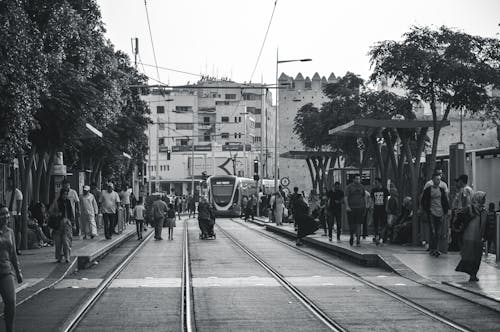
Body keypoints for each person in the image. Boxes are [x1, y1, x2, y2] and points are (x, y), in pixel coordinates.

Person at [455, 191, 487, 282]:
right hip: (469, 237)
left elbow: (486, 225)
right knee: (470, 256)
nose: (484, 200)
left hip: (479, 238)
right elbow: (459, 217)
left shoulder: (484, 211)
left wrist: (486, 235)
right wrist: (458, 228)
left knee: (478, 257)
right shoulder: (470, 209)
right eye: (483, 198)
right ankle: (472, 274)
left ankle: (473, 274)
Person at [0, 206, 23, 332]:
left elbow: (13, 254)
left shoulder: (10, 232)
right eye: (2, 214)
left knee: (11, 302)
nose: (6, 217)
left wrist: (18, 272)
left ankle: (10, 329)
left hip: (6, 272)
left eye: (7, 213)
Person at [421, 173, 450, 257]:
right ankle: (432, 248)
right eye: (437, 179)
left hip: (440, 213)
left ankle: (436, 248)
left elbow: (445, 200)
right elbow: (423, 201)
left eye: (439, 179)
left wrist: (447, 210)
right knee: (433, 231)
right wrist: (426, 210)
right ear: (433, 180)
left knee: (438, 231)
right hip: (431, 213)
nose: (438, 181)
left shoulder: (441, 190)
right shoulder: (428, 190)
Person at [49, 188, 74, 263]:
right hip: (58, 224)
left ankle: (67, 256)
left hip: (67, 223)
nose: (65, 196)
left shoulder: (68, 202)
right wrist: (57, 214)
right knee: (58, 242)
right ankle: (59, 257)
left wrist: (73, 222)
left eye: (66, 194)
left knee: (66, 241)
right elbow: (50, 211)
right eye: (64, 194)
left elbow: (71, 212)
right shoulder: (56, 202)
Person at [450, 174, 473, 251]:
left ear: (461, 181)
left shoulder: (465, 190)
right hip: (465, 213)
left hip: (463, 215)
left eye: (459, 181)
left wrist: (458, 212)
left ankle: (459, 247)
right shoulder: (468, 189)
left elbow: (466, 204)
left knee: (459, 231)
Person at [344, 174, 366, 246]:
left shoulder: (362, 187)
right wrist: (347, 206)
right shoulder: (349, 187)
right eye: (356, 179)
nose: (358, 180)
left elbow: (363, 196)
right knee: (352, 224)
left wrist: (365, 206)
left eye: (359, 179)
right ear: (353, 179)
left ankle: (358, 240)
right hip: (351, 208)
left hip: (360, 208)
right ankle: (351, 236)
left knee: (359, 224)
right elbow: (346, 197)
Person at [4, 178, 23, 255]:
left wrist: (16, 214)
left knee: (17, 231)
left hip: (14, 213)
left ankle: (17, 248)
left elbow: (19, 206)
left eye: (10, 182)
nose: (8, 184)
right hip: (8, 213)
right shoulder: (7, 192)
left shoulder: (17, 192)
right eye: (8, 182)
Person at [371, 178, 389, 245]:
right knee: (375, 223)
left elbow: (387, 199)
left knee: (383, 223)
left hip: (383, 209)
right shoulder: (373, 190)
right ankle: (376, 236)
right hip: (376, 209)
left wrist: (386, 208)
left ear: (379, 183)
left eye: (376, 182)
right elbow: (372, 199)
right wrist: (372, 207)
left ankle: (381, 236)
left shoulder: (385, 190)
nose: (375, 184)